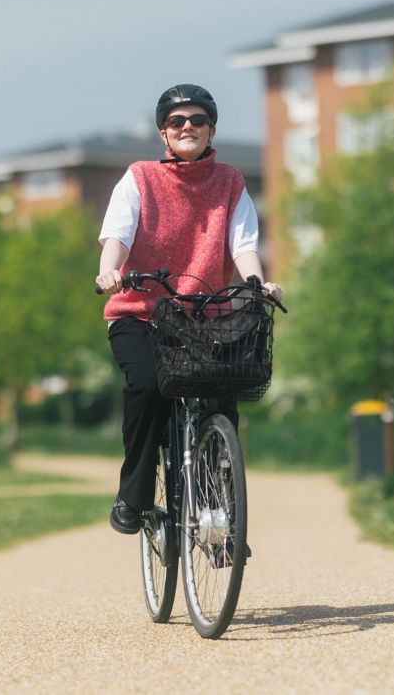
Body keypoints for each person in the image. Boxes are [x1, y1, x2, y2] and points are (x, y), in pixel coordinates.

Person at [95, 83, 282, 535]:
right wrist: (109, 270)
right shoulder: (139, 177)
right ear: (163, 133)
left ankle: (220, 512)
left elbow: (243, 243)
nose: (187, 128)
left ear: (211, 129)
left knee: (222, 394)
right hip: (140, 310)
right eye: (177, 121)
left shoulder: (230, 181)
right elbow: (117, 234)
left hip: (203, 315)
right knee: (147, 387)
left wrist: (258, 282)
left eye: (197, 120)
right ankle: (135, 496)